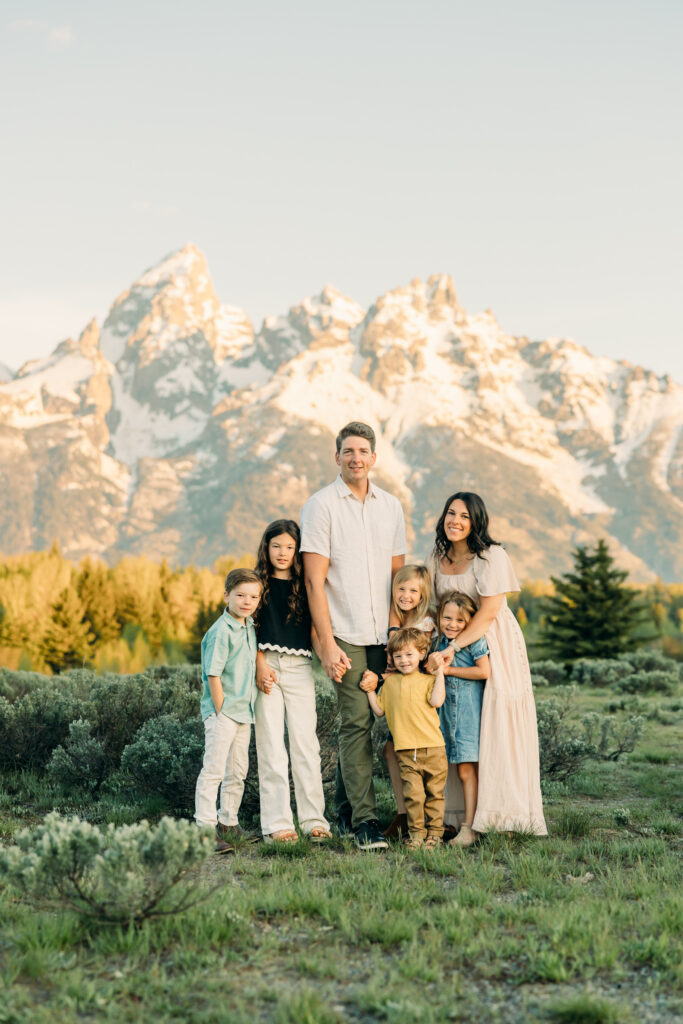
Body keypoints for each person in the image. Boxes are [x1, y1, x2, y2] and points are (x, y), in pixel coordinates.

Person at [300, 421, 406, 851]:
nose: (356, 458)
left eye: (363, 451)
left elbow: (399, 577)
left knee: (379, 720)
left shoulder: (391, 507)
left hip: (384, 634)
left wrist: (397, 633)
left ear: (374, 458)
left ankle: (343, 812)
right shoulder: (320, 506)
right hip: (343, 632)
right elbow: (313, 582)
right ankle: (365, 822)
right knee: (357, 721)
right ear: (337, 457)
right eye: (348, 451)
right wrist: (325, 644)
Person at [428, 492, 547, 837]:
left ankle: (503, 816)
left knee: (496, 726)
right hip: (451, 643)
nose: (455, 521)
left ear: (476, 522)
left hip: (492, 643)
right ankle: (457, 817)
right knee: (456, 725)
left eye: (464, 516)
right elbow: (432, 605)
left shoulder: (491, 556)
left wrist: (455, 647)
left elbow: (490, 611)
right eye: (451, 513)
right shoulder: (437, 556)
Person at [253, 520, 332, 844]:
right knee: (271, 745)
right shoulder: (257, 584)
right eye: (276, 546)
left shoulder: (307, 586)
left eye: (289, 547)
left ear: (298, 551)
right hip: (266, 667)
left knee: (305, 745)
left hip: (300, 668)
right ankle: (278, 824)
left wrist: (328, 657)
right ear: (266, 548)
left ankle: (314, 821)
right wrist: (259, 664)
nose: (282, 553)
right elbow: (247, 628)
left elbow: (315, 631)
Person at [194, 568, 263, 853]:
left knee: (237, 770)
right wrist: (221, 710)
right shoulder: (221, 631)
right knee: (213, 770)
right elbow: (213, 674)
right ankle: (204, 830)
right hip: (223, 713)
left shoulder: (249, 627)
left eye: (254, 597)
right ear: (226, 596)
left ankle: (229, 822)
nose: (247, 602)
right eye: (240, 595)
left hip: (244, 712)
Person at [364, 627, 447, 849]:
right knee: (413, 795)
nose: (404, 660)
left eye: (409, 654)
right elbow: (379, 711)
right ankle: (417, 834)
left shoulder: (428, 680)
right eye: (398, 656)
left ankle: (435, 834)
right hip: (406, 751)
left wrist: (440, 673)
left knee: (435, 794)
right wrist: (370, 690)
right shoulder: (390, 684)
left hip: (434, 748)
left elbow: (437, 701)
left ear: (422, 654)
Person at [427, 592, 490, 846]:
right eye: (447, 618)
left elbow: (484, 671)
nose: (452, 624)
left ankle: (470, 827)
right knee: (440, 768)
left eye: (460, 621)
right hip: (444, 715)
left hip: (467, 715)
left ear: (469, 622)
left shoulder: (474, 641)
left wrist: (449, 669)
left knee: (466, 770)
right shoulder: (437, 642)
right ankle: (437, 822)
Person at [379, 564, 436, 840]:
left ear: (423, 594)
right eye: (401, 589)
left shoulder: (424, 624)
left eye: (413, 590)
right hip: (399, 695)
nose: (406, 595)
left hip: (415, 699)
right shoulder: (399, 618)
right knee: (391, 750)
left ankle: (413, 817)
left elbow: (414, 660)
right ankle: (405, 814)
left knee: (402, 752)